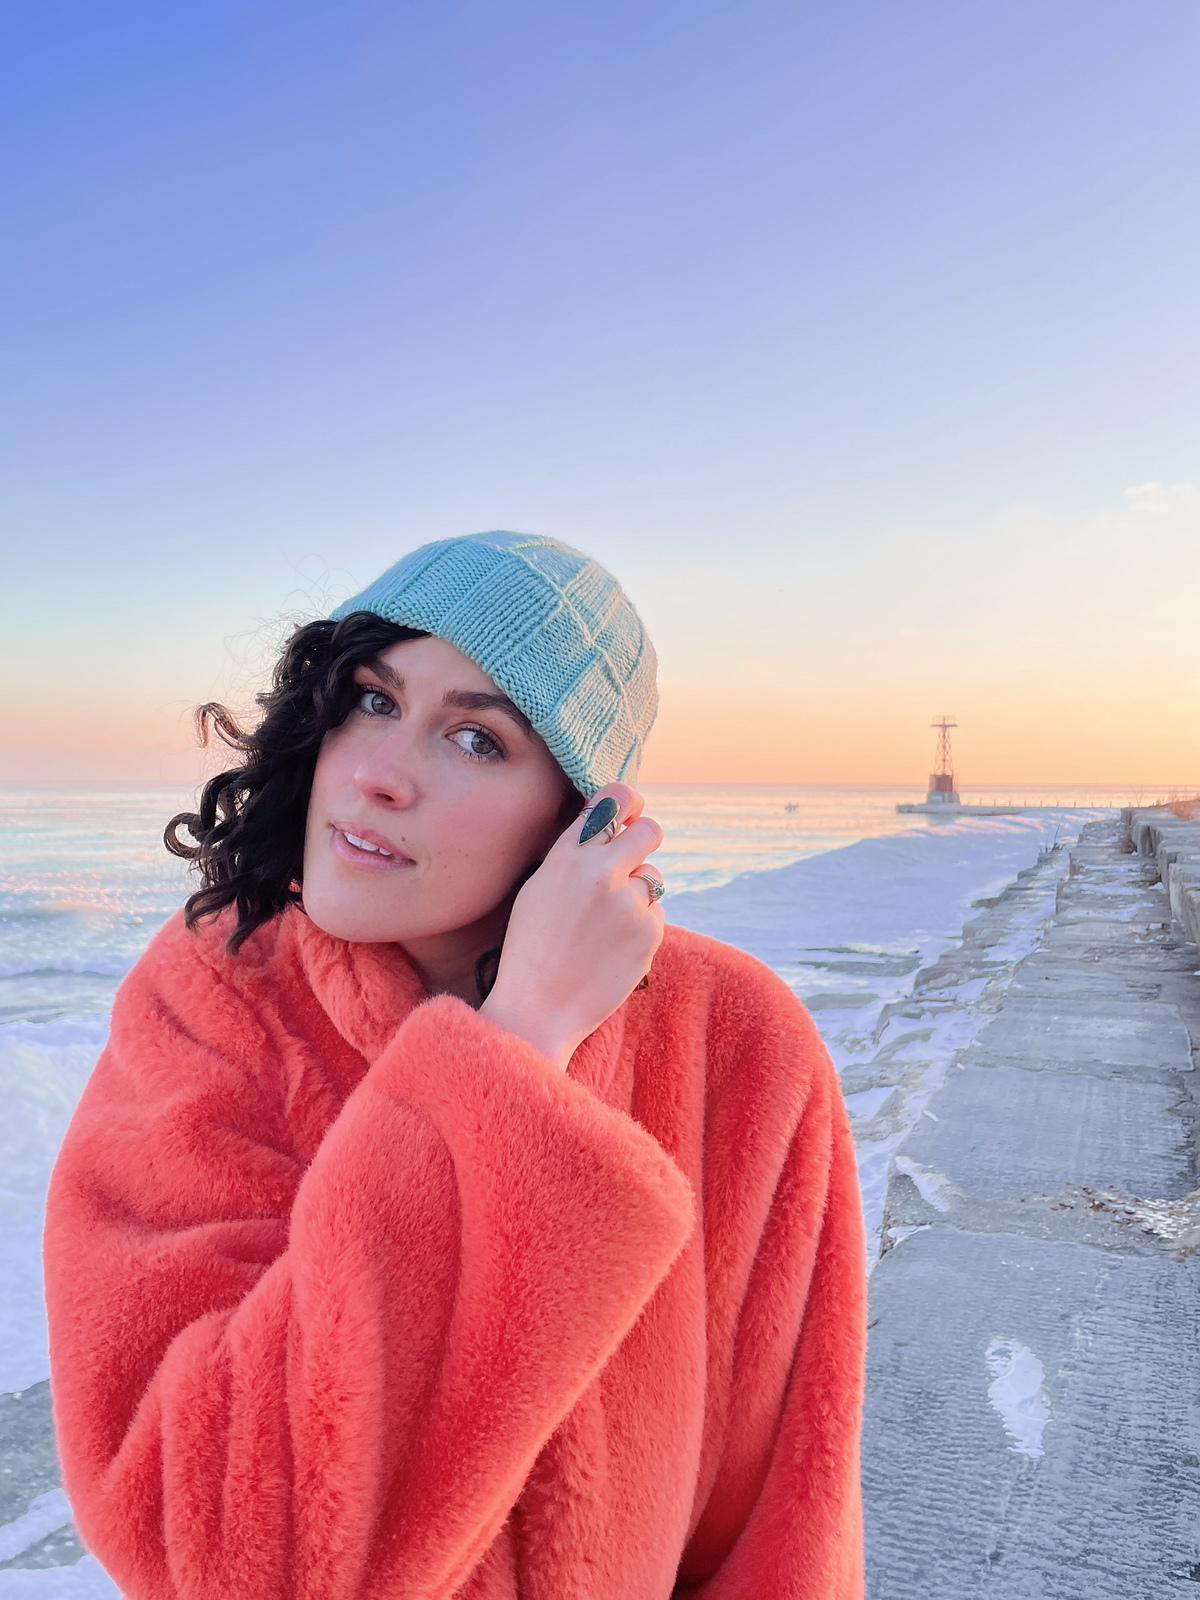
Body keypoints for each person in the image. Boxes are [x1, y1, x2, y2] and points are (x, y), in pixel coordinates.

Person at [43, 530, 867, 1600]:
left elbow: (782, 1539)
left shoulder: (740, 1044)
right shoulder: (213, 1000)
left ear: (578, 817)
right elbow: (221, 1555)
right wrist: (516, 1046)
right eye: (374, 701)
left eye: (477, 740)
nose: (379, 775)